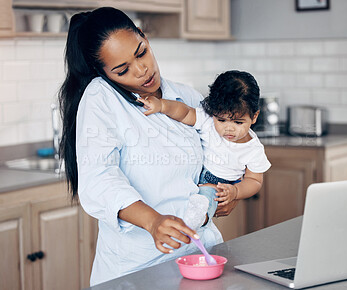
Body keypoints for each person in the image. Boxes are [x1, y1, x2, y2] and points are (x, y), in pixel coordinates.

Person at [58, 7, 234, 286]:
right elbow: (99, 179)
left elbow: (215, 157)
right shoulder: (101, 99)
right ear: (102, 73)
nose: (142, 71)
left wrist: (224, 192)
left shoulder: (185, 95)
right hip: (138, 266)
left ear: (144, 36)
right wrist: (153, 222)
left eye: (141, 53)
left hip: (198, 254)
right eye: (122, 69)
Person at [139, 70, 271, 228]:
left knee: (205, 199)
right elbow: (185, 112)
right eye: (221, 120)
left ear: (254, 116)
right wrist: (162, 105)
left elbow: (254, 181)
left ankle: (195, 223)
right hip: (192, 178)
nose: (228, 129)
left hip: (220, 186)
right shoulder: (208, 122)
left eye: (238, 122)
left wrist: (236, 192)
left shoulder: (253, 149)